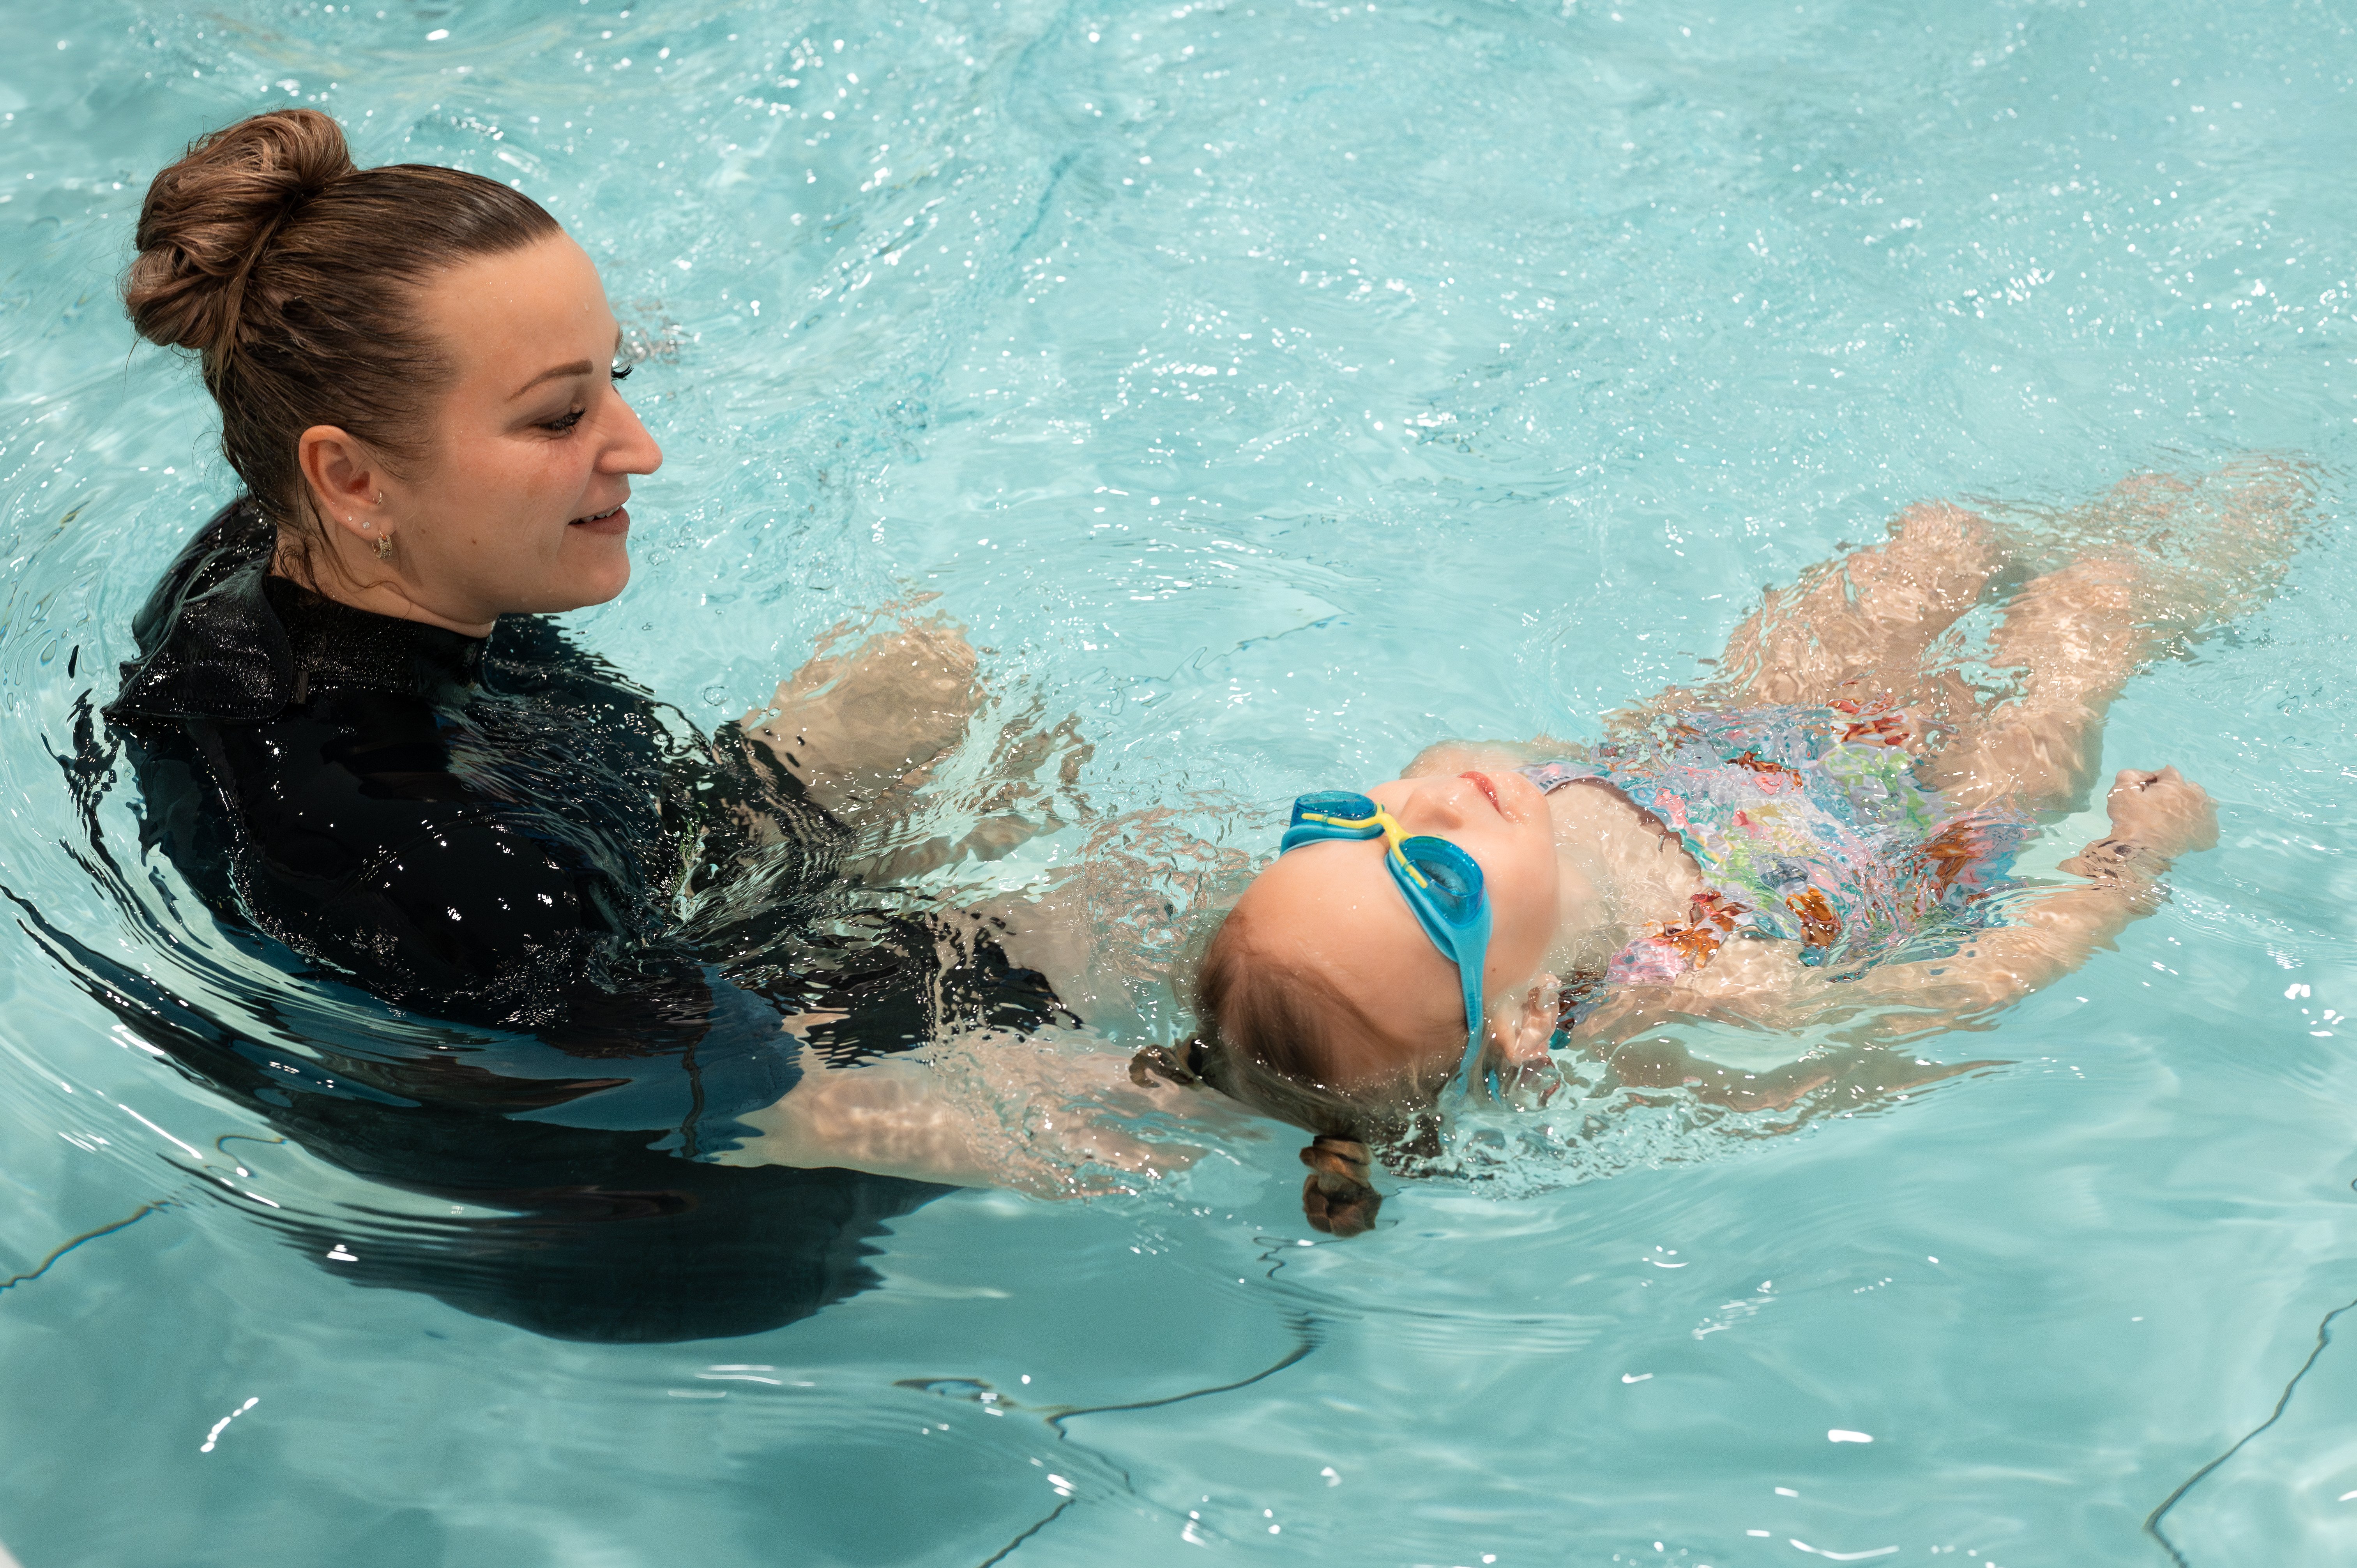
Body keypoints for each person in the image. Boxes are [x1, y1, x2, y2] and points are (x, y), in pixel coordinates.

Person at [86, 108, 1069, 1339]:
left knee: (924, 685)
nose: (640, 449)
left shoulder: (262, 545)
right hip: (638, 1163)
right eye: (562, 416)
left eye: (619, 378)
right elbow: (803, 1108)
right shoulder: (430, 856)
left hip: (574, 912)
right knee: (1128, 913)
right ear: (350, 476)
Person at [1120, 470, 2306, 1235]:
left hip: (1758, 736)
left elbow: (1614, 758)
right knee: (2090, 613)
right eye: (1435, 879)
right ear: (1525, 1018)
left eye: (1342, 821)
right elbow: (1963, 990)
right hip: (1926, 828)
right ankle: (2289, 492)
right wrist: (2130, 869)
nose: (1417, 806)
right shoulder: (1698, 997)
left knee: (1934, 544)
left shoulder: (1475, 784)